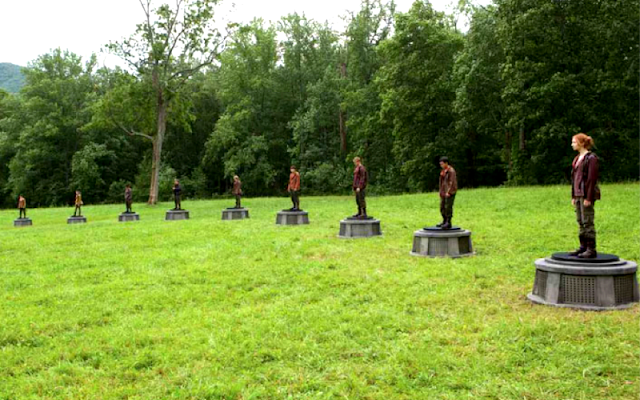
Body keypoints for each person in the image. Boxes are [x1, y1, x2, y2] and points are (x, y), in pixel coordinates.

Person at [569, 133, 600, 258]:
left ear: (582, 143)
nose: (572, 144)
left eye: (574, 142)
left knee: (587, 221)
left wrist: (589, 197)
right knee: (580, 221)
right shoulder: (577, 158)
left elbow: (591, 180)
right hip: (577, 194)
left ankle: (591, 248)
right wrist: (573, 195)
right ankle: (583, 247)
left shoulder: (591, 158)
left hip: (586, 195)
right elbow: (574, 178)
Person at [437, 156, 457, 230]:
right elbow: (442, 183)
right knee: (442, 207)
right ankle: (444, 220)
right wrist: (441, 191)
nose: (441, 165)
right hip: (443, 192)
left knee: (448, 207)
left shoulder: (451, 171)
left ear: (446, 163)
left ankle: (448, 222)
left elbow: (452, 182)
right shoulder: (443, 171)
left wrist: (449, 192)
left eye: (442, 164)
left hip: (449, 192)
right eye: (440, 164)